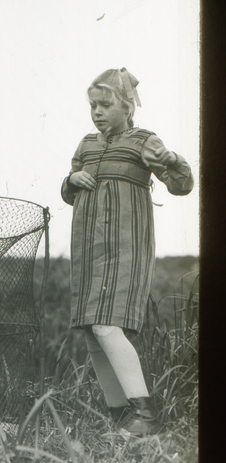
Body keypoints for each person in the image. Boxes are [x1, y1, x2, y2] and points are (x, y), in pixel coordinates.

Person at [61, 68, 194, 435]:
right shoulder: (86, 145)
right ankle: (121, 417)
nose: (97, 112)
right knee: (91, 328)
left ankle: (146, 417)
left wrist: (171, 160)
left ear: (127, 105)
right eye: (93, 105)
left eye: (105, 104)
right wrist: (71, 180)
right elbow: (69, 192)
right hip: (88, 248)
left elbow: (182, 186)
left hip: (125, 246)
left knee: (107, 325)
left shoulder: (143, 141)